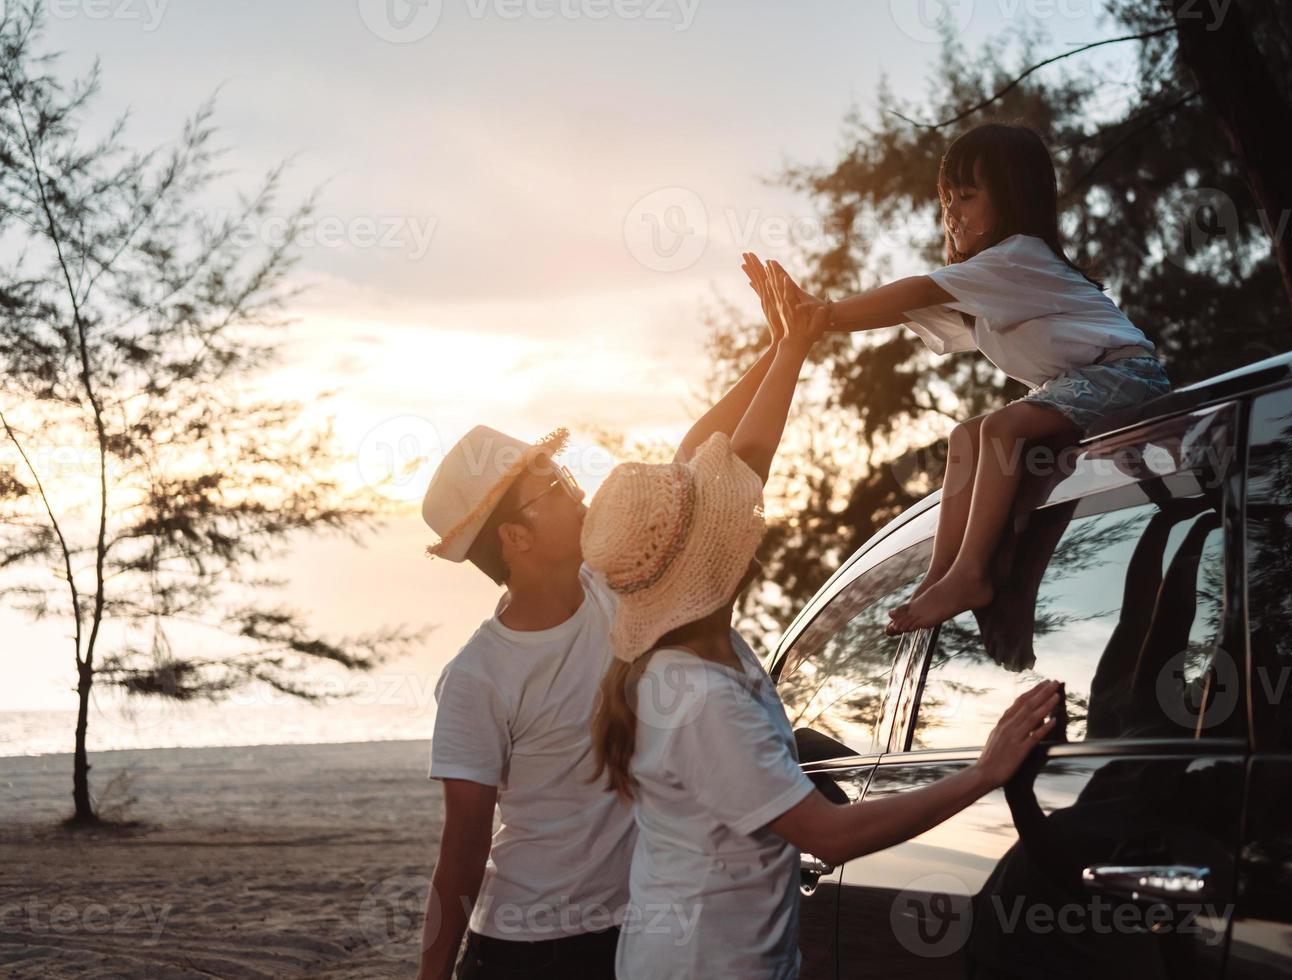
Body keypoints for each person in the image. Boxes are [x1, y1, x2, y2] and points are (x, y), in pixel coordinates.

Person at [581, 270, 1063, 979]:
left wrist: (788, 347)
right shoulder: (698, 696)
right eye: (720, 515)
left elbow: (729, 455)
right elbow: (828, 837)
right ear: (704, 558)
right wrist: (984, 772)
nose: (741, 510)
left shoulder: (697, 643)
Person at [415, 266, 806, 980]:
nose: (579, 491)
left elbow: (702, 458)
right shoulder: (478, 677)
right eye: (555, 491)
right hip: (526, 954)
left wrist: (784, 346)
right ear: (516, 541)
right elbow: (463, 850)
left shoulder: (621, 588)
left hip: (635, 931)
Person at [751, 122, 1172, 636]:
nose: (951, 212)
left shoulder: (1017, 256)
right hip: (1094, 382)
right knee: (965, 437)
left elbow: (913, 293)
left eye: (967, 197)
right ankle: (939, 577)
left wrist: (826, 313)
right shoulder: (990, 282)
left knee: (998, 430)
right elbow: (911, 308)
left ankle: (971, 572)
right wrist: (818, 320)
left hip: (1127, 375)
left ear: (1013, 199)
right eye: (946, 199)